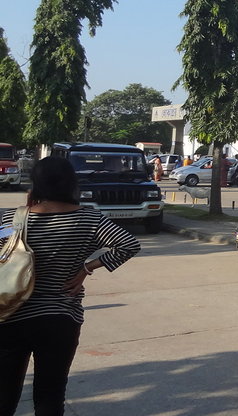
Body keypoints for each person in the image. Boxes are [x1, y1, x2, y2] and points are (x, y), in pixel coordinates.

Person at [0, 156, 140, 415]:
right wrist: (87, 268)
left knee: (4, 394)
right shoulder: (90, 219)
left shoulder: (11, 220)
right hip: (60, 318)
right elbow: (128, 244)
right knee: (50, 395)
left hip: (10, 316)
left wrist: (25, 213)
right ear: (71, 183)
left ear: (36, 183)